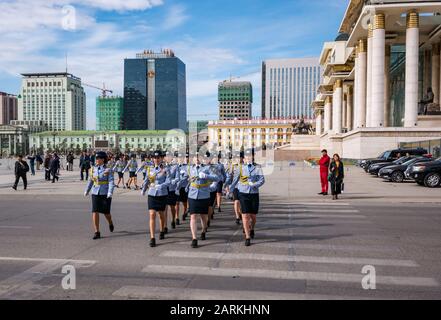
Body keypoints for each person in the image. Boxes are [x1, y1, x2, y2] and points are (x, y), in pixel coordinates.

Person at [230, 149, 265, 247]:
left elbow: (262, 180)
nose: (248, 158)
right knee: (245, 215)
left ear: (253, 157)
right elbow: (235, 180)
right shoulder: (240, 168)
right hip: (243, 193)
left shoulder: (257, 167)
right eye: (246, 156)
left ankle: (252, 228)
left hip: (254, 193)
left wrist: (254, 184)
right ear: (244, 158)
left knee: (253, 216)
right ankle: (247, 236)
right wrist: (229, 190)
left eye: (250, 156)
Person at [187, 154, 220, 248]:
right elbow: (185, 178)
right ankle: (194, 238)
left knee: (203, 216)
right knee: (193, 216)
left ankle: (203, 230)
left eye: (199, 158)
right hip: (192, 194)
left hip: (204, 194)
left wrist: (206, 176)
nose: (197, 159)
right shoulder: (190, 169)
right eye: (195, 157)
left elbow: (217, 178)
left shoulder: (207, 168)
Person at [141, 151, 169, 248]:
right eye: (154, 158)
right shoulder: (149, 169)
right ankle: (152, 238)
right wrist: (143, 189)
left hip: (162, 194)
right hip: (152, 193)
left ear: (161, 158)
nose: (156, 159)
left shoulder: (165, 169)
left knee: (161, 214)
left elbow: (168, 181)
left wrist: (162, 185)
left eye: (158, 158)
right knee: (152, 214)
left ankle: (162, 229)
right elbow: (146, 180)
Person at [84, 151, 115, 240]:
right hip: (95, 192)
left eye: (98, 158)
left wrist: (110, 192)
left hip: (105, 193)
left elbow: (111, 181)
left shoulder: (108, 169)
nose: (96, 160)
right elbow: (90, 181)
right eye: (96, 158)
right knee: (95, 211)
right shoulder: (93, 169)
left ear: (103, 159)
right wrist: (87, 190)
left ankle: (110, 222)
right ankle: (97, 231)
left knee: (106, 213)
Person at [225, 151, 243, 225]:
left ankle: (241, 213)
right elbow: (229, 176)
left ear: (242, 158)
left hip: (244, 187)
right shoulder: (233, 166)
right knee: (236, 201)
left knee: (242, 203)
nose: (238, 159)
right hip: (235, 186)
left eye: (240, 157)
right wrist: (226, 184)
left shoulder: (246, 165)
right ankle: (237, 217)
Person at [164, 151, 179, 231]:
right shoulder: (162, 166)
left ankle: (173, 219)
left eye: (169, 156)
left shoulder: (175, 167)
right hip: (164, 189)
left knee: (172, 207)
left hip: (172, 189)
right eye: (166, 156)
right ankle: (165, 226)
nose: (168, 158)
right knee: (164, 208)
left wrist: (173, 181)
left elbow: (177, 178)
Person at [175, 152, 190, 224]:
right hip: (177, 188)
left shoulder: (187, 167)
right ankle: (177, 217)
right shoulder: (175, 166)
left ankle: (184, 213)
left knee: (184, 203)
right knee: (176, 203)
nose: (180, 159)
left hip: (184, 187)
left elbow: (187, 176)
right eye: (179, 158)